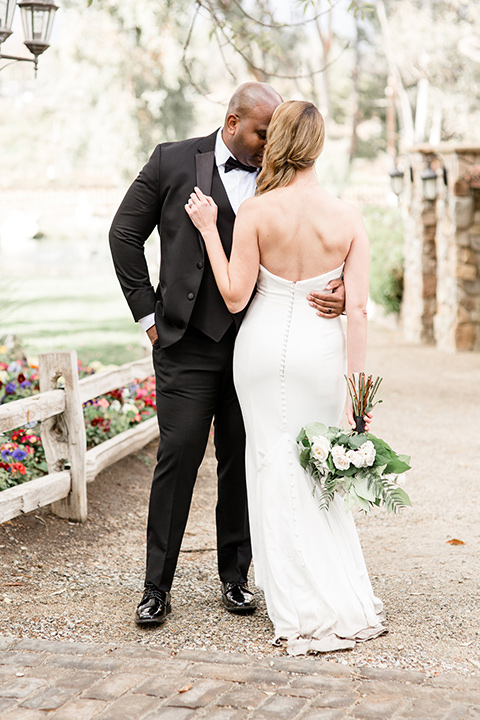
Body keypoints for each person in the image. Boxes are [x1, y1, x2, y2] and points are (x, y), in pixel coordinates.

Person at [109, 84, 346, 627]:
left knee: (244, 459)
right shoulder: (172, 160)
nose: (270, 144)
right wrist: (149, 319)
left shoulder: (282, 178)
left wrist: (339, 293)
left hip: (255, 347)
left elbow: (314, 246)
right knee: (179, 459)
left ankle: (236, 578)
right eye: (263, 132)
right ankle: (155, 587)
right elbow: (124, 235)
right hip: (184, 348)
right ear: (233, 121)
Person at [186, 99, 387, 655]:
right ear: (318, 148)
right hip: (320, 355)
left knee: (271, 462)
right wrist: (356, 396)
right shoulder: (348, 218)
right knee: (317, 470)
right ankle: (330, 590)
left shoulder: (255, 211)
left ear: (277, 145)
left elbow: (232, 294)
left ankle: (292, 598)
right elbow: (359, 311)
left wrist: (207, 229)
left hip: (260, 351)